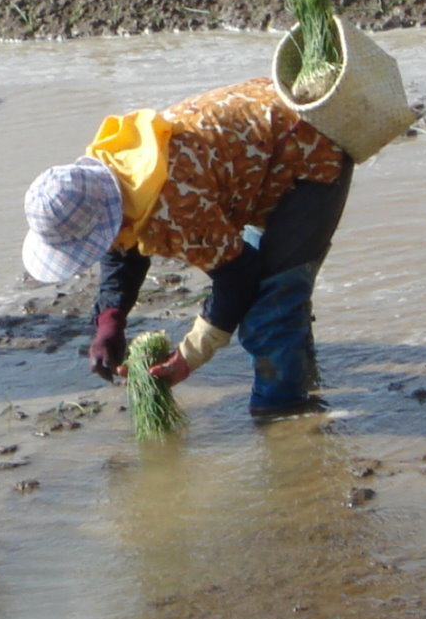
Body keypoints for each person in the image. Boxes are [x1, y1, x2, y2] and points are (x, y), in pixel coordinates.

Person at [20, 79, 355, 416]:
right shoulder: (117, 168)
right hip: (261, 151)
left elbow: (238, 277)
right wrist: (110, 322)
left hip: (311, 150)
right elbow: (124, 245)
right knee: (273, 294)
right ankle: (300, 376)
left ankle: (284, 412)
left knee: (271, 298)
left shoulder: (176, 205)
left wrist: (187, 359)